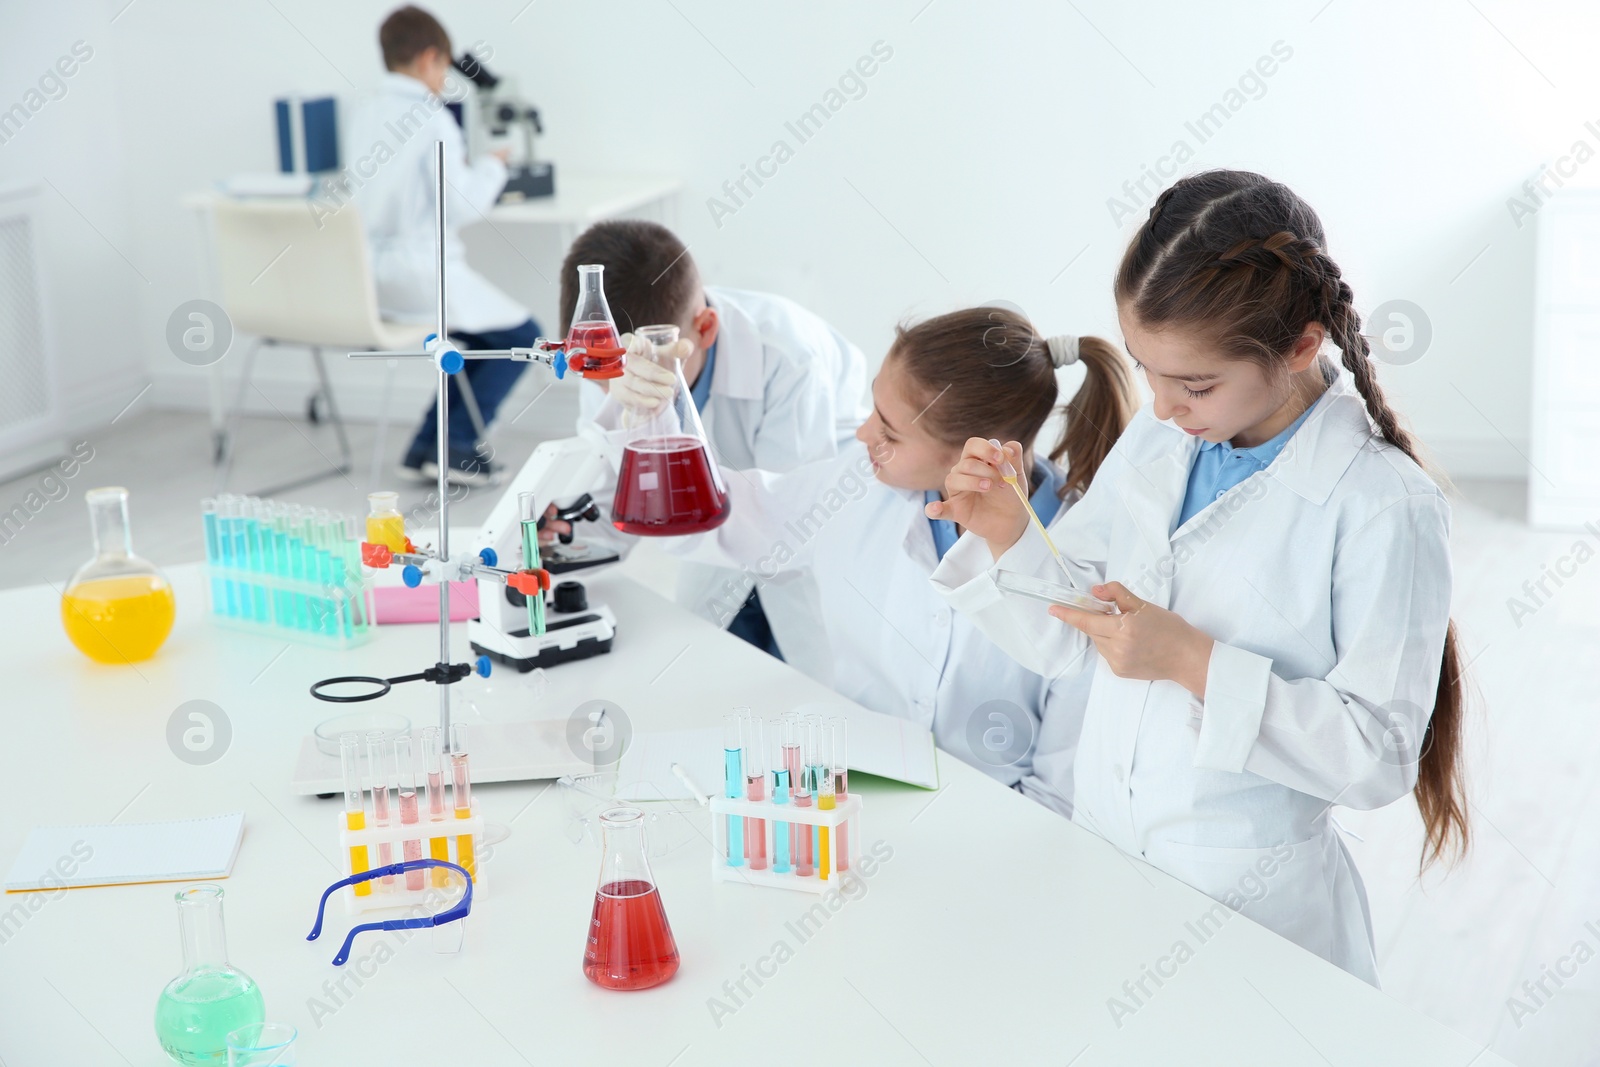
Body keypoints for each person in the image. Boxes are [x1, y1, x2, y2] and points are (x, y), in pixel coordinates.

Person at [927, 170, 1469, 983]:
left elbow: (1377, 754)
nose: (1161, 406)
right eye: (1148, 370)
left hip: (1250, 908)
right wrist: (1011, 533)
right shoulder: (1164, 442)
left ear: (1299, 345)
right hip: (1107, 851)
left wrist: (1192, 660)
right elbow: (1072, 640)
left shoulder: (1384, 504)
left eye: (1195, 384)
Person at [595, 305, 1138, 804]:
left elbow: (1064, 786)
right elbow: (713, 519)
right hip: (855, 793)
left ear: (979, 453)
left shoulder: (1081, 567)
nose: (862, 434)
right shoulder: (857, 489)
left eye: (889, 432)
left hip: (994, 830)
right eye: (872, 410)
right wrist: (648, 419)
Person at [553, 220, 868, 658]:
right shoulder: (609, 367)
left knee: (806, 672)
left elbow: (778, 527)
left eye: (643, 375)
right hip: (727, 523)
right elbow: (608, 499)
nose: (616, 391)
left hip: (803, 523)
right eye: (605, 379)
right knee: (712, 656)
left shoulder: (789, 357)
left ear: (705, 329)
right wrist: (567, 531)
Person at [349, 5, 536, 486]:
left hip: (365, 277)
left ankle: (425, 448)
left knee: (475, 339)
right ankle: (454, 447)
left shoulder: (363, 110)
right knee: (524, 338)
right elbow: (462, 208)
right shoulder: (431, 119)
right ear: (433, 58)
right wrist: (493, 166)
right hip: (419, 274)